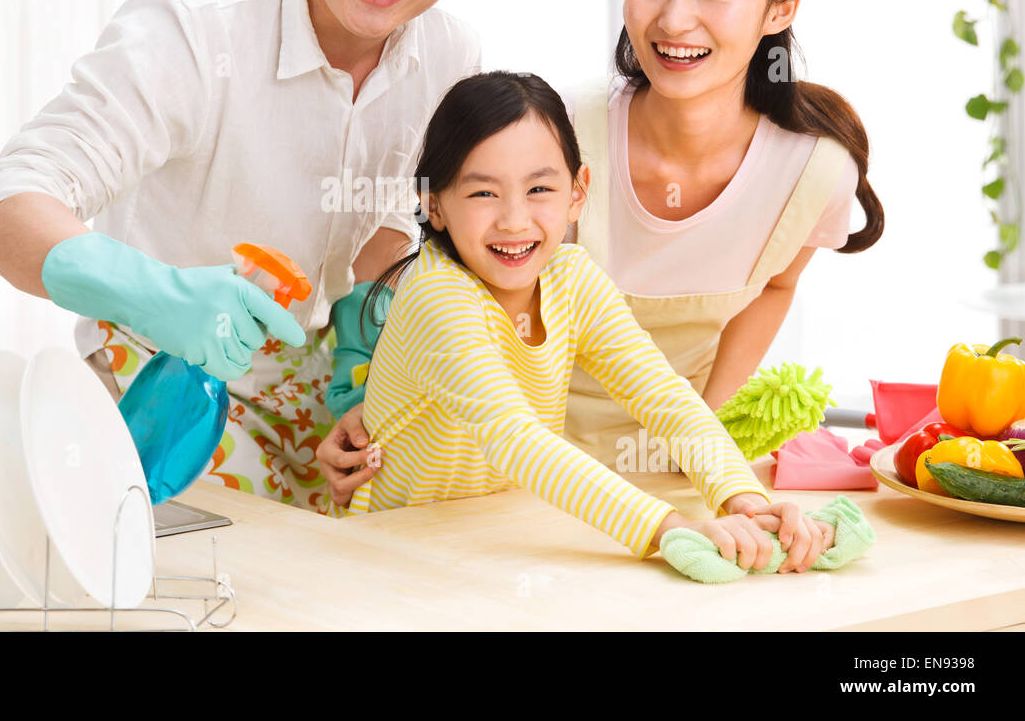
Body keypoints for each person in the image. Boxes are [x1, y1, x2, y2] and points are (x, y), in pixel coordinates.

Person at [0, 0, 526, 513]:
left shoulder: (451, 58)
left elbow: (389, 239)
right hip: (161, 386)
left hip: (320, 396)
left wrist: (370, 375)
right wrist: (157, 294)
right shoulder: (195, 26)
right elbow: (1, 209)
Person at [319, 0, 884, 499]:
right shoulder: (560, 134)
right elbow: (456, 290)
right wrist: (388, 409)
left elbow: (778, 283)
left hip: (682, 469)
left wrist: (704, 434)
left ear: (780, 7)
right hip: (504, 473)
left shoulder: (812, 172)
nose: (674, 19)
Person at [337, 70, 835, 573]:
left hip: (501, 544)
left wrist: (742, 497)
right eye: (483, 194)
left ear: (577, 193)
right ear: (434, 204)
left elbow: (662, 395)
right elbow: (517, 441)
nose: (513, 220)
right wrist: (670, 529)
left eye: (539, 189)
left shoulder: (572, 278)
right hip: (394, 552)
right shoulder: (436, 296)